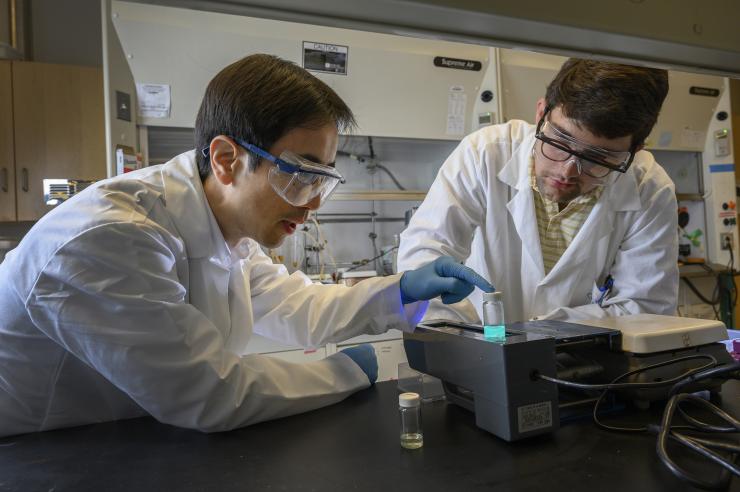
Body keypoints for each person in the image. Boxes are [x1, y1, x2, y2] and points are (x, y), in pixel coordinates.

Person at [0, 54, 492, 437]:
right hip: (40, 450)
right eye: (300, 176)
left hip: (125, 436)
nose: (313, 204)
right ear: (225, 159)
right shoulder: (109, 239)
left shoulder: (222, 230)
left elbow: (298, 306)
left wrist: (404, 289)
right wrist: (347, 371)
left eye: (323, 181)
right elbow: (210, 396)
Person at [398, 58, 677, 324]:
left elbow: (645, 309)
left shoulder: (649, 188)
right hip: (475, 352)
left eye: (598, 159)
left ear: (634, 151)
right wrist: (453, 338)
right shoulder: (485, 153)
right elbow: (424, 255)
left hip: (586, 361)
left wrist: (542, 334)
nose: (567, 171)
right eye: (560, 142)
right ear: (541, 113)